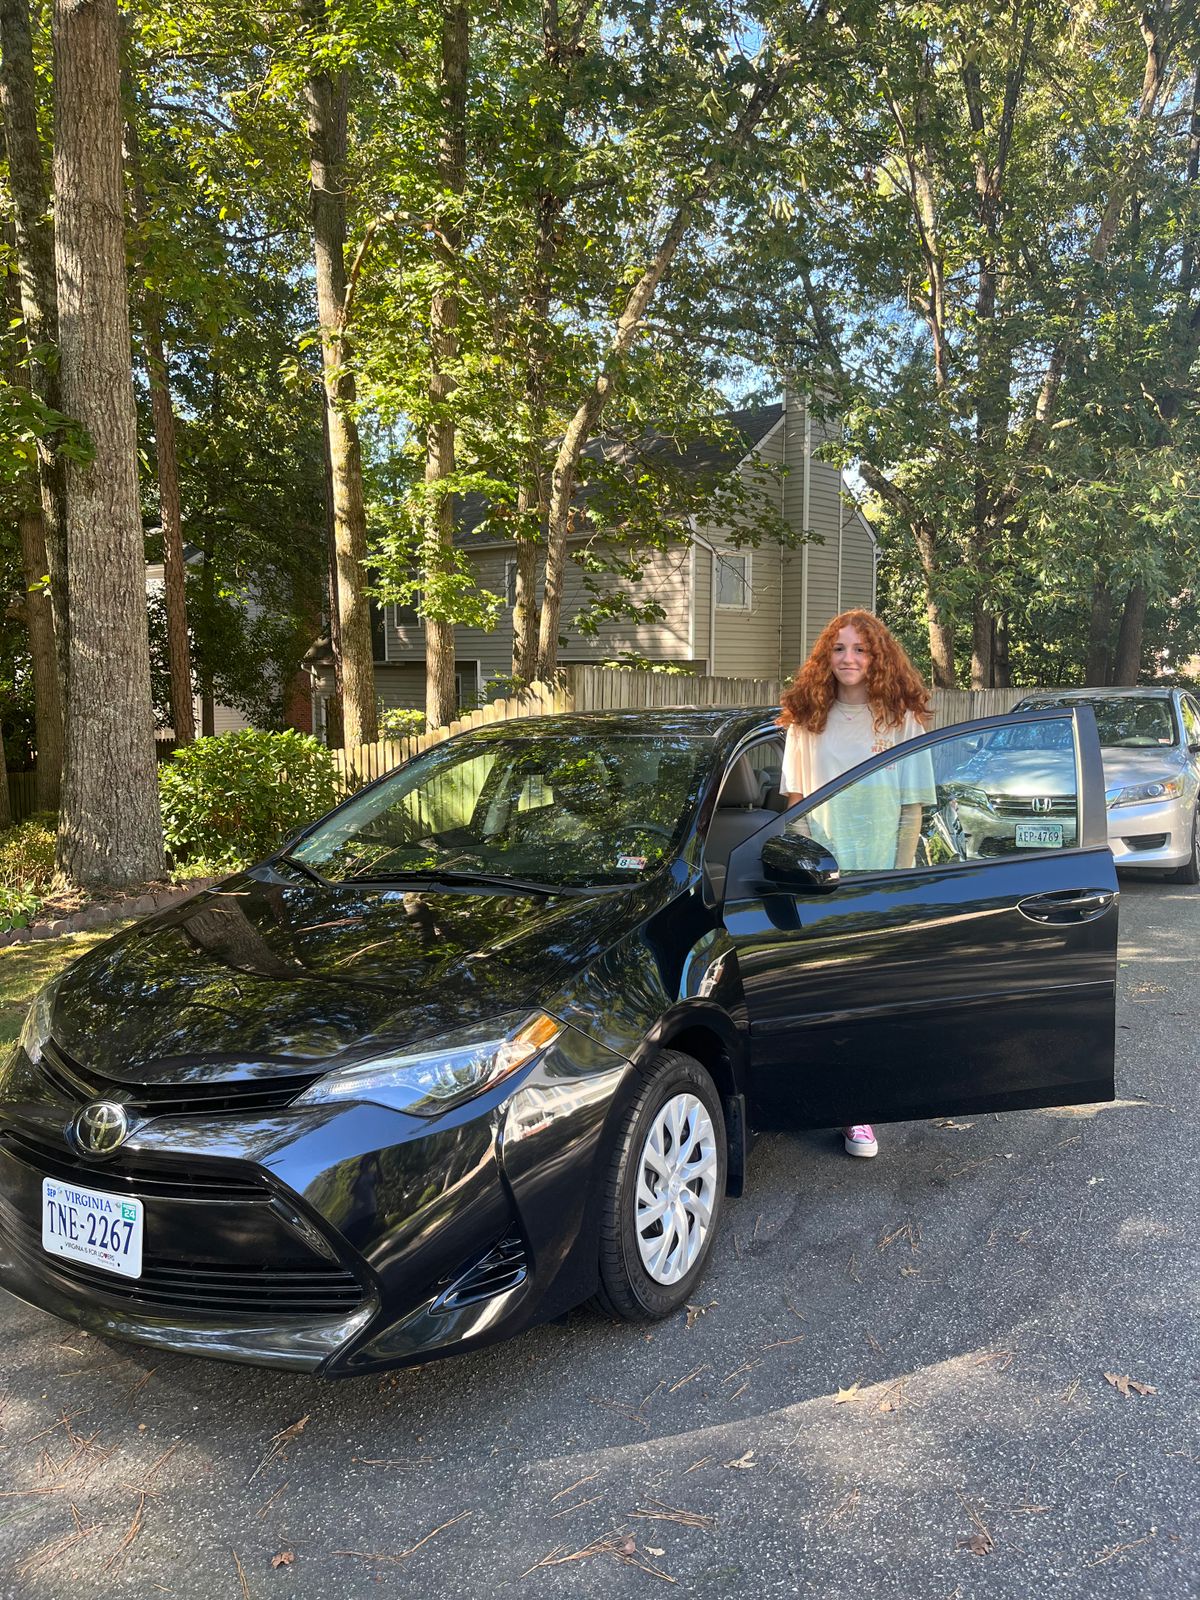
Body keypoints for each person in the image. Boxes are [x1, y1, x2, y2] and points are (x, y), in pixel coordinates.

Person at [778, 609, 934, 1160]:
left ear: (878, 658)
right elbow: (796, 808)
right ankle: (821, 1095)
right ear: (826, 657)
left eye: (860, 649)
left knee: (868, 998)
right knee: (825, 995)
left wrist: (895, 883)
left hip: (877, 882)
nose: (849, 658)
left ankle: (858, 1109)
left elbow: (911, 810)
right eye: (839, 648)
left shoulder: (901, 722)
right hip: (822, 882)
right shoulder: (806, 722)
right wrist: (808, 873)